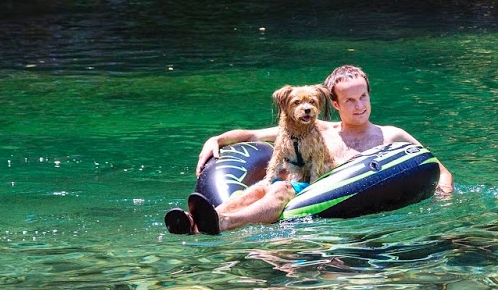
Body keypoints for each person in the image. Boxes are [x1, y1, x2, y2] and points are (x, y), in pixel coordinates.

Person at [185, 65, 453, 233]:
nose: (360, 106)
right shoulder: (318, 129)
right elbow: (254, 134)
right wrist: (217, 139)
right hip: (306, 202)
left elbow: (438, 169)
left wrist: (443, 200)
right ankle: (200, 219)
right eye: (350, 100)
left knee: (279, 188)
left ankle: (225, 222)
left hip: (346, 205)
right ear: (335, 104)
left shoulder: (391, 135)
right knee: (260, 188)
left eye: (363, 97)